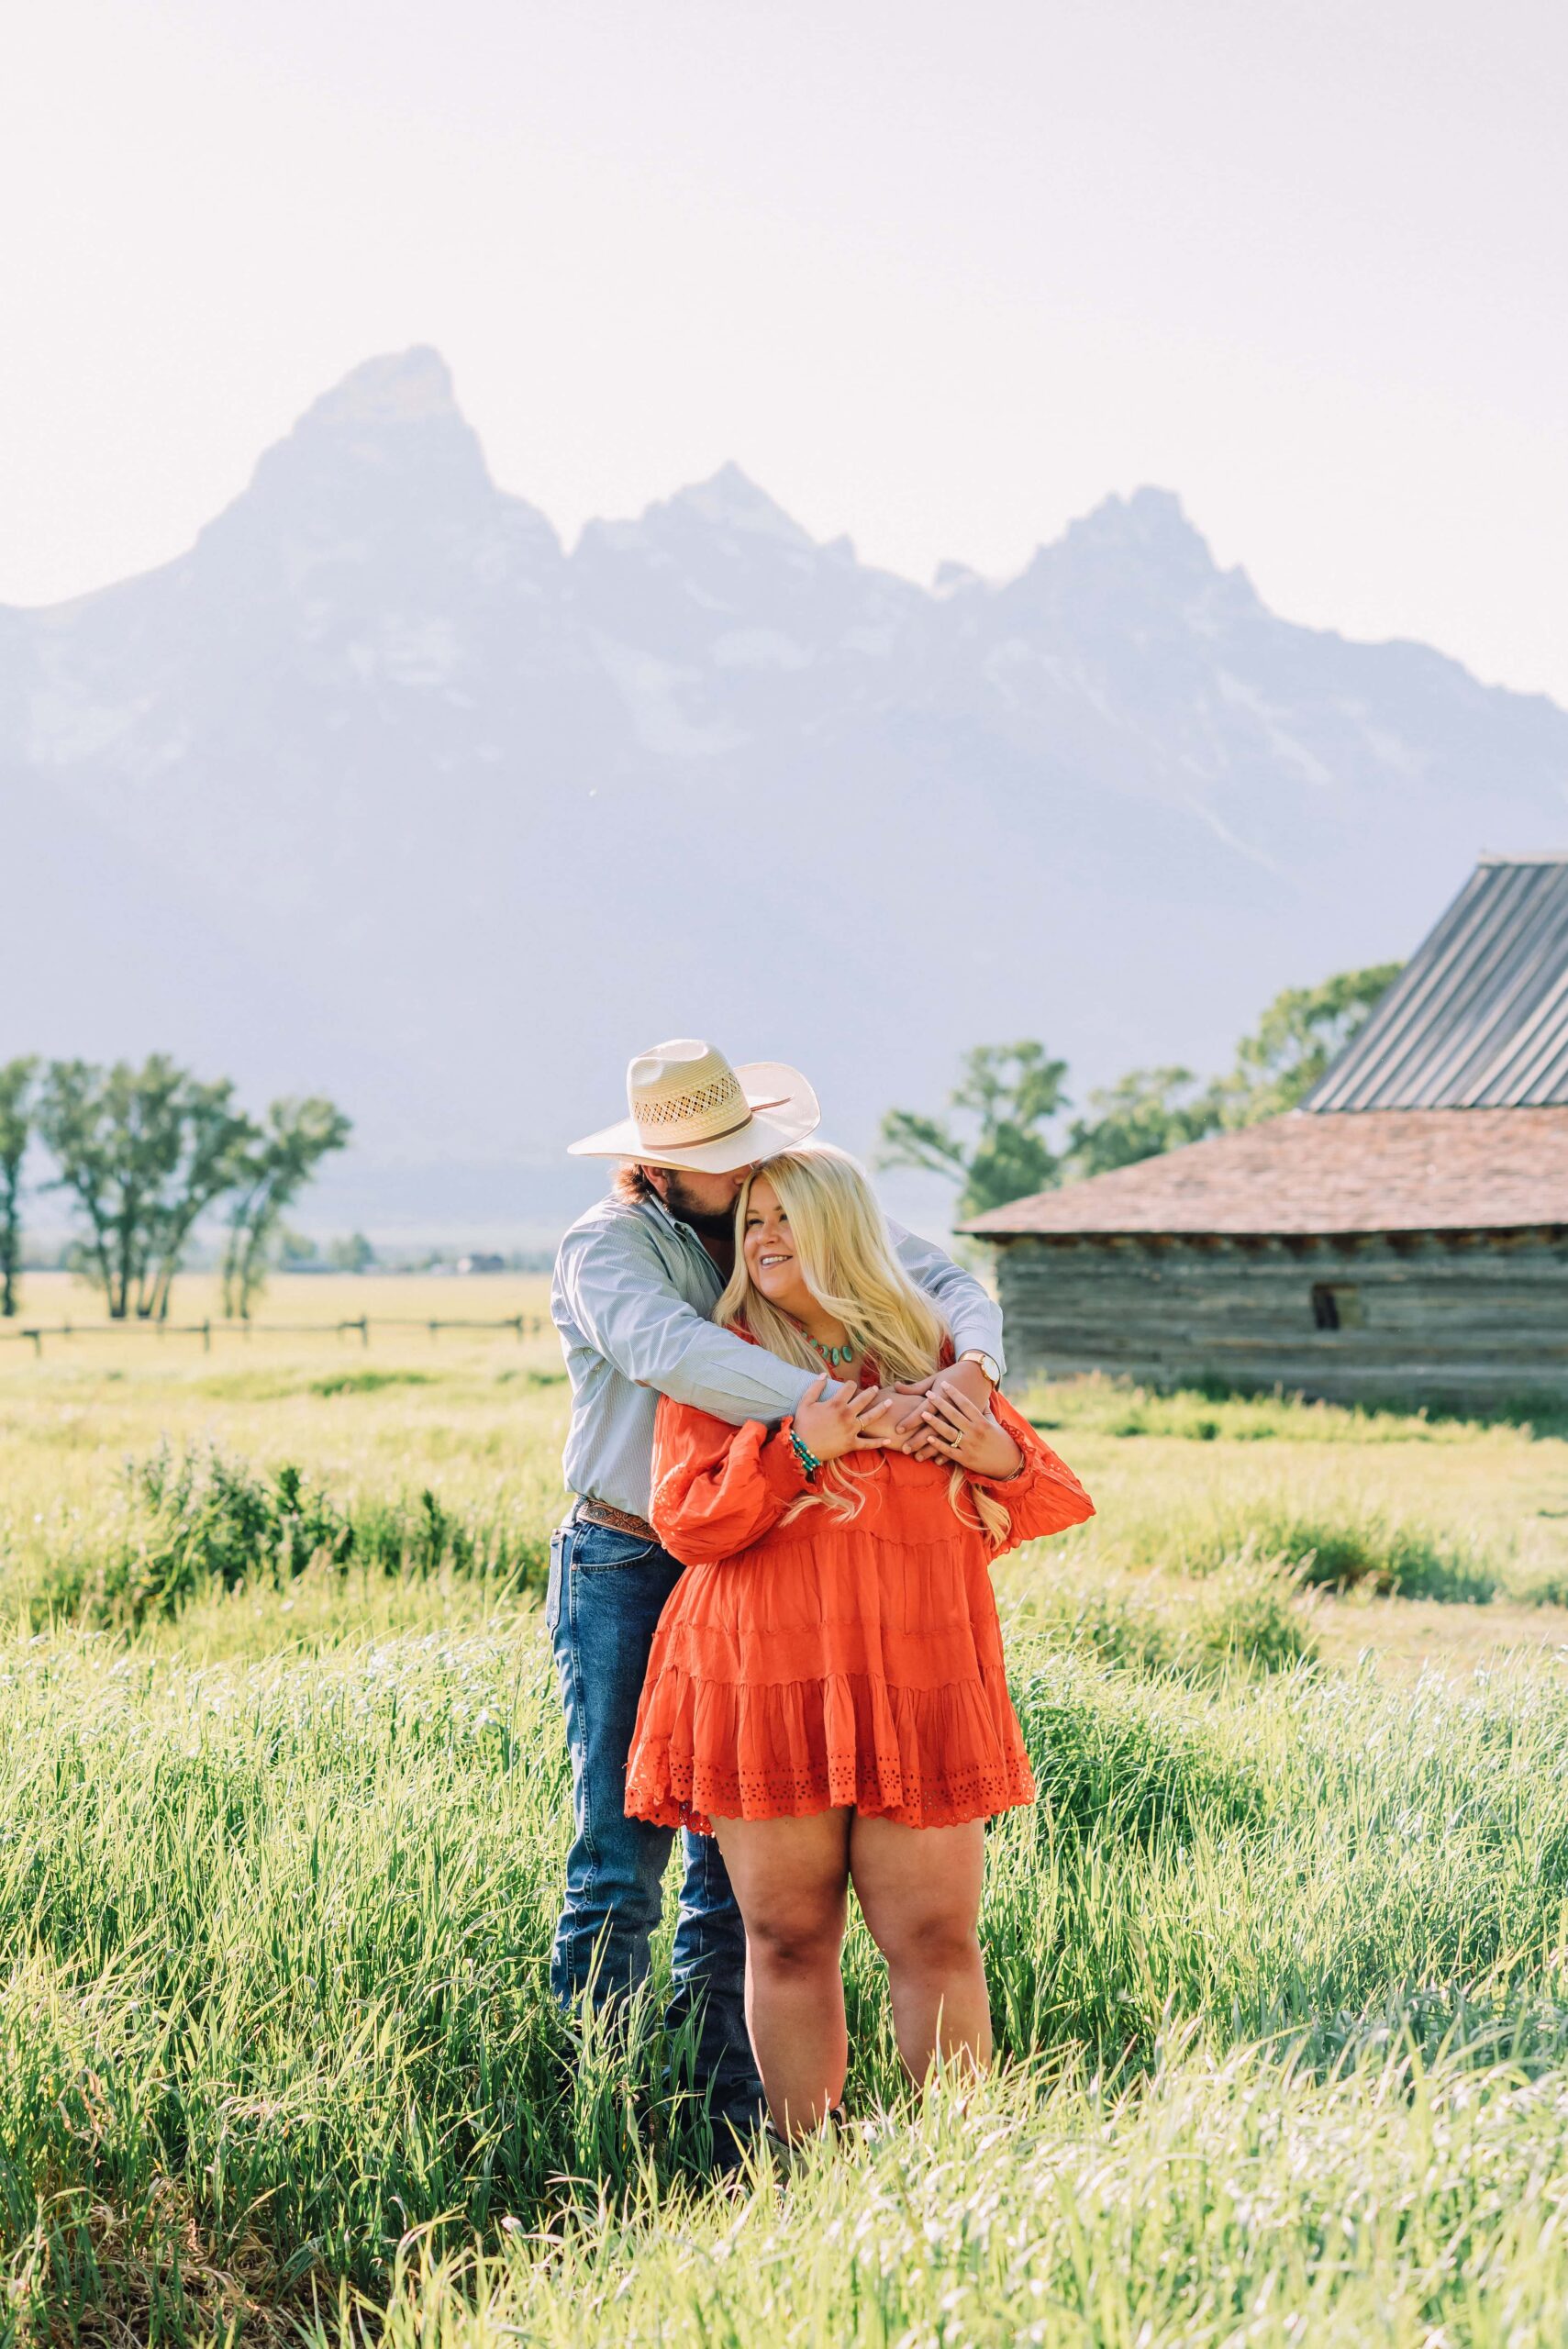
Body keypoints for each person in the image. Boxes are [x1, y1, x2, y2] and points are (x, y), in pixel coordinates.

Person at [550, 1040, 1007, 2157]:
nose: (752, 1173)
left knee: (741, 1889)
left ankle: (743, 2133)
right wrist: (843, 1406)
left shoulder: (781, 1205)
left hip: (767, 1569)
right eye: (725, 1156)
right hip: (634, 1554)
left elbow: (940, 1282)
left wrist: (968, 1373)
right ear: (658, 1164)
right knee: (618, 1857)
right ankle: (597, 2121)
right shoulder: (608, 1247)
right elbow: (679, 1357)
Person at [624, 1141, 1094, 2143]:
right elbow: (689, 1524)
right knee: (788, 1938)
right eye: (750, 1222)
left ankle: (956, 2162)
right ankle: (807, 2167)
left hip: (916, 1678)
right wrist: (800, 1449)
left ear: (843, 1228)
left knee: (934, 1938)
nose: (761, 1239)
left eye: (785, 1217)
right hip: (767, 1679)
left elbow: (1046, 1496)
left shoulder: (930, 1356)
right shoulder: (723, 1368)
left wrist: (989, 1448)